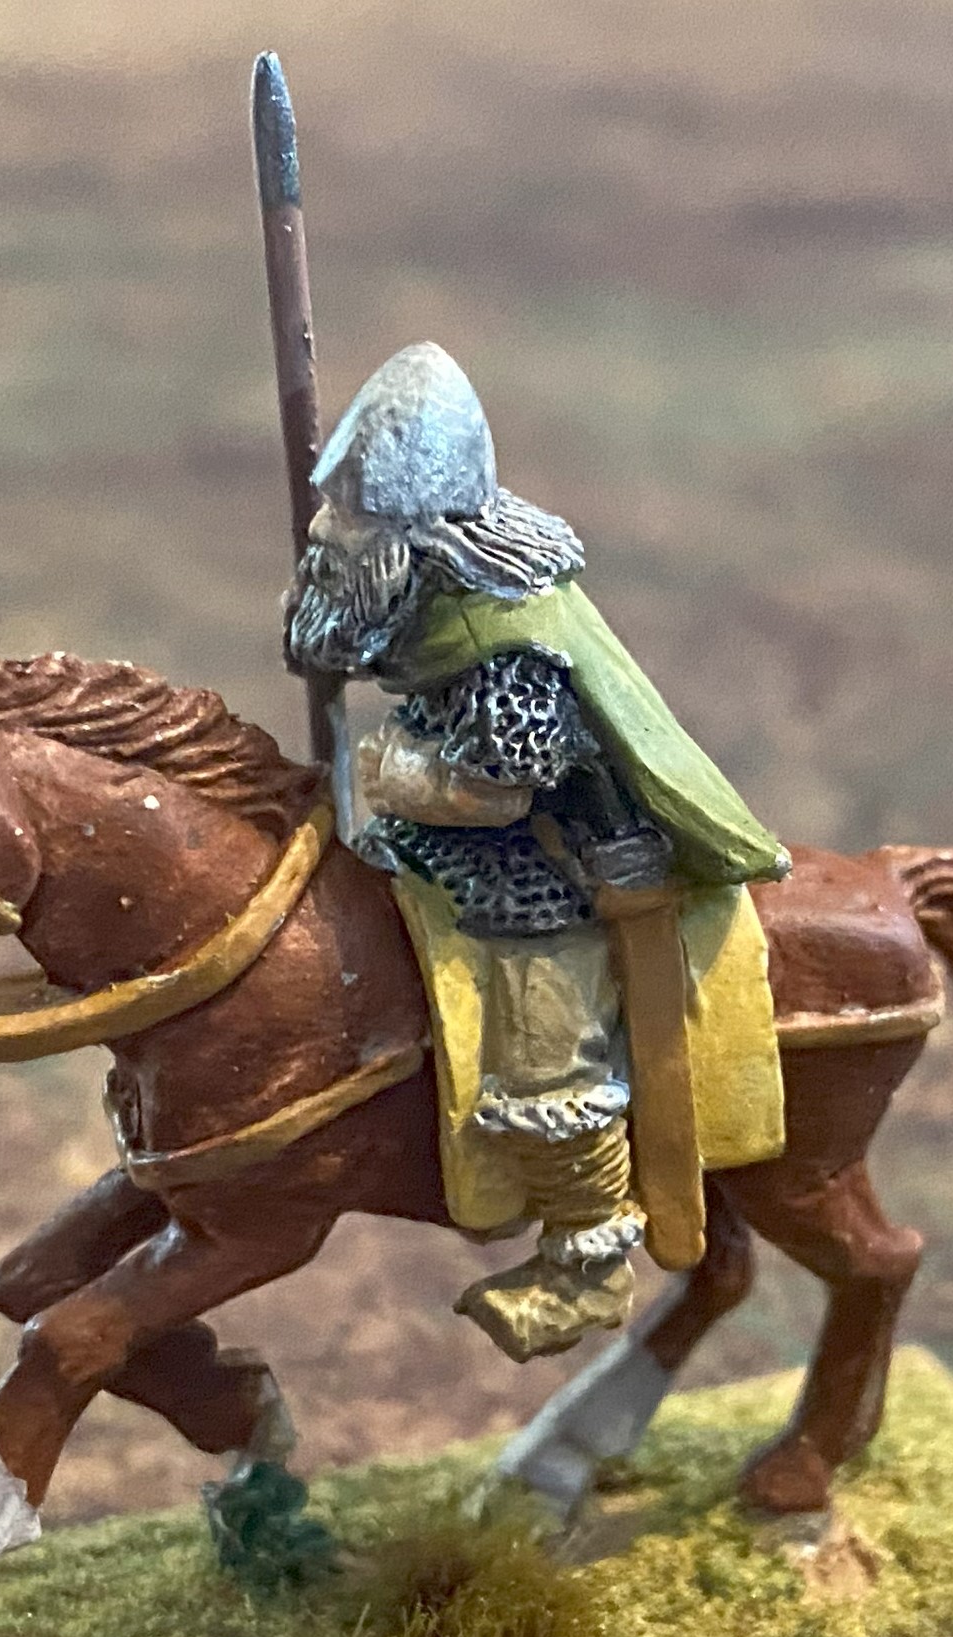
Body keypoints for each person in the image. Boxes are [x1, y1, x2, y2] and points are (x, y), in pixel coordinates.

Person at [285, 343, 785, 1359]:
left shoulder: (505, 635)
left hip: (555, 853)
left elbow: (504, 782)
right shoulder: (404, 589)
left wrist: (392, 771)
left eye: (354, 515)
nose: (327, 529)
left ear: (420, 534)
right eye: (333, 505)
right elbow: (327, 637)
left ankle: (586, 1263)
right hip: (437, 826)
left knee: (539, 1037)